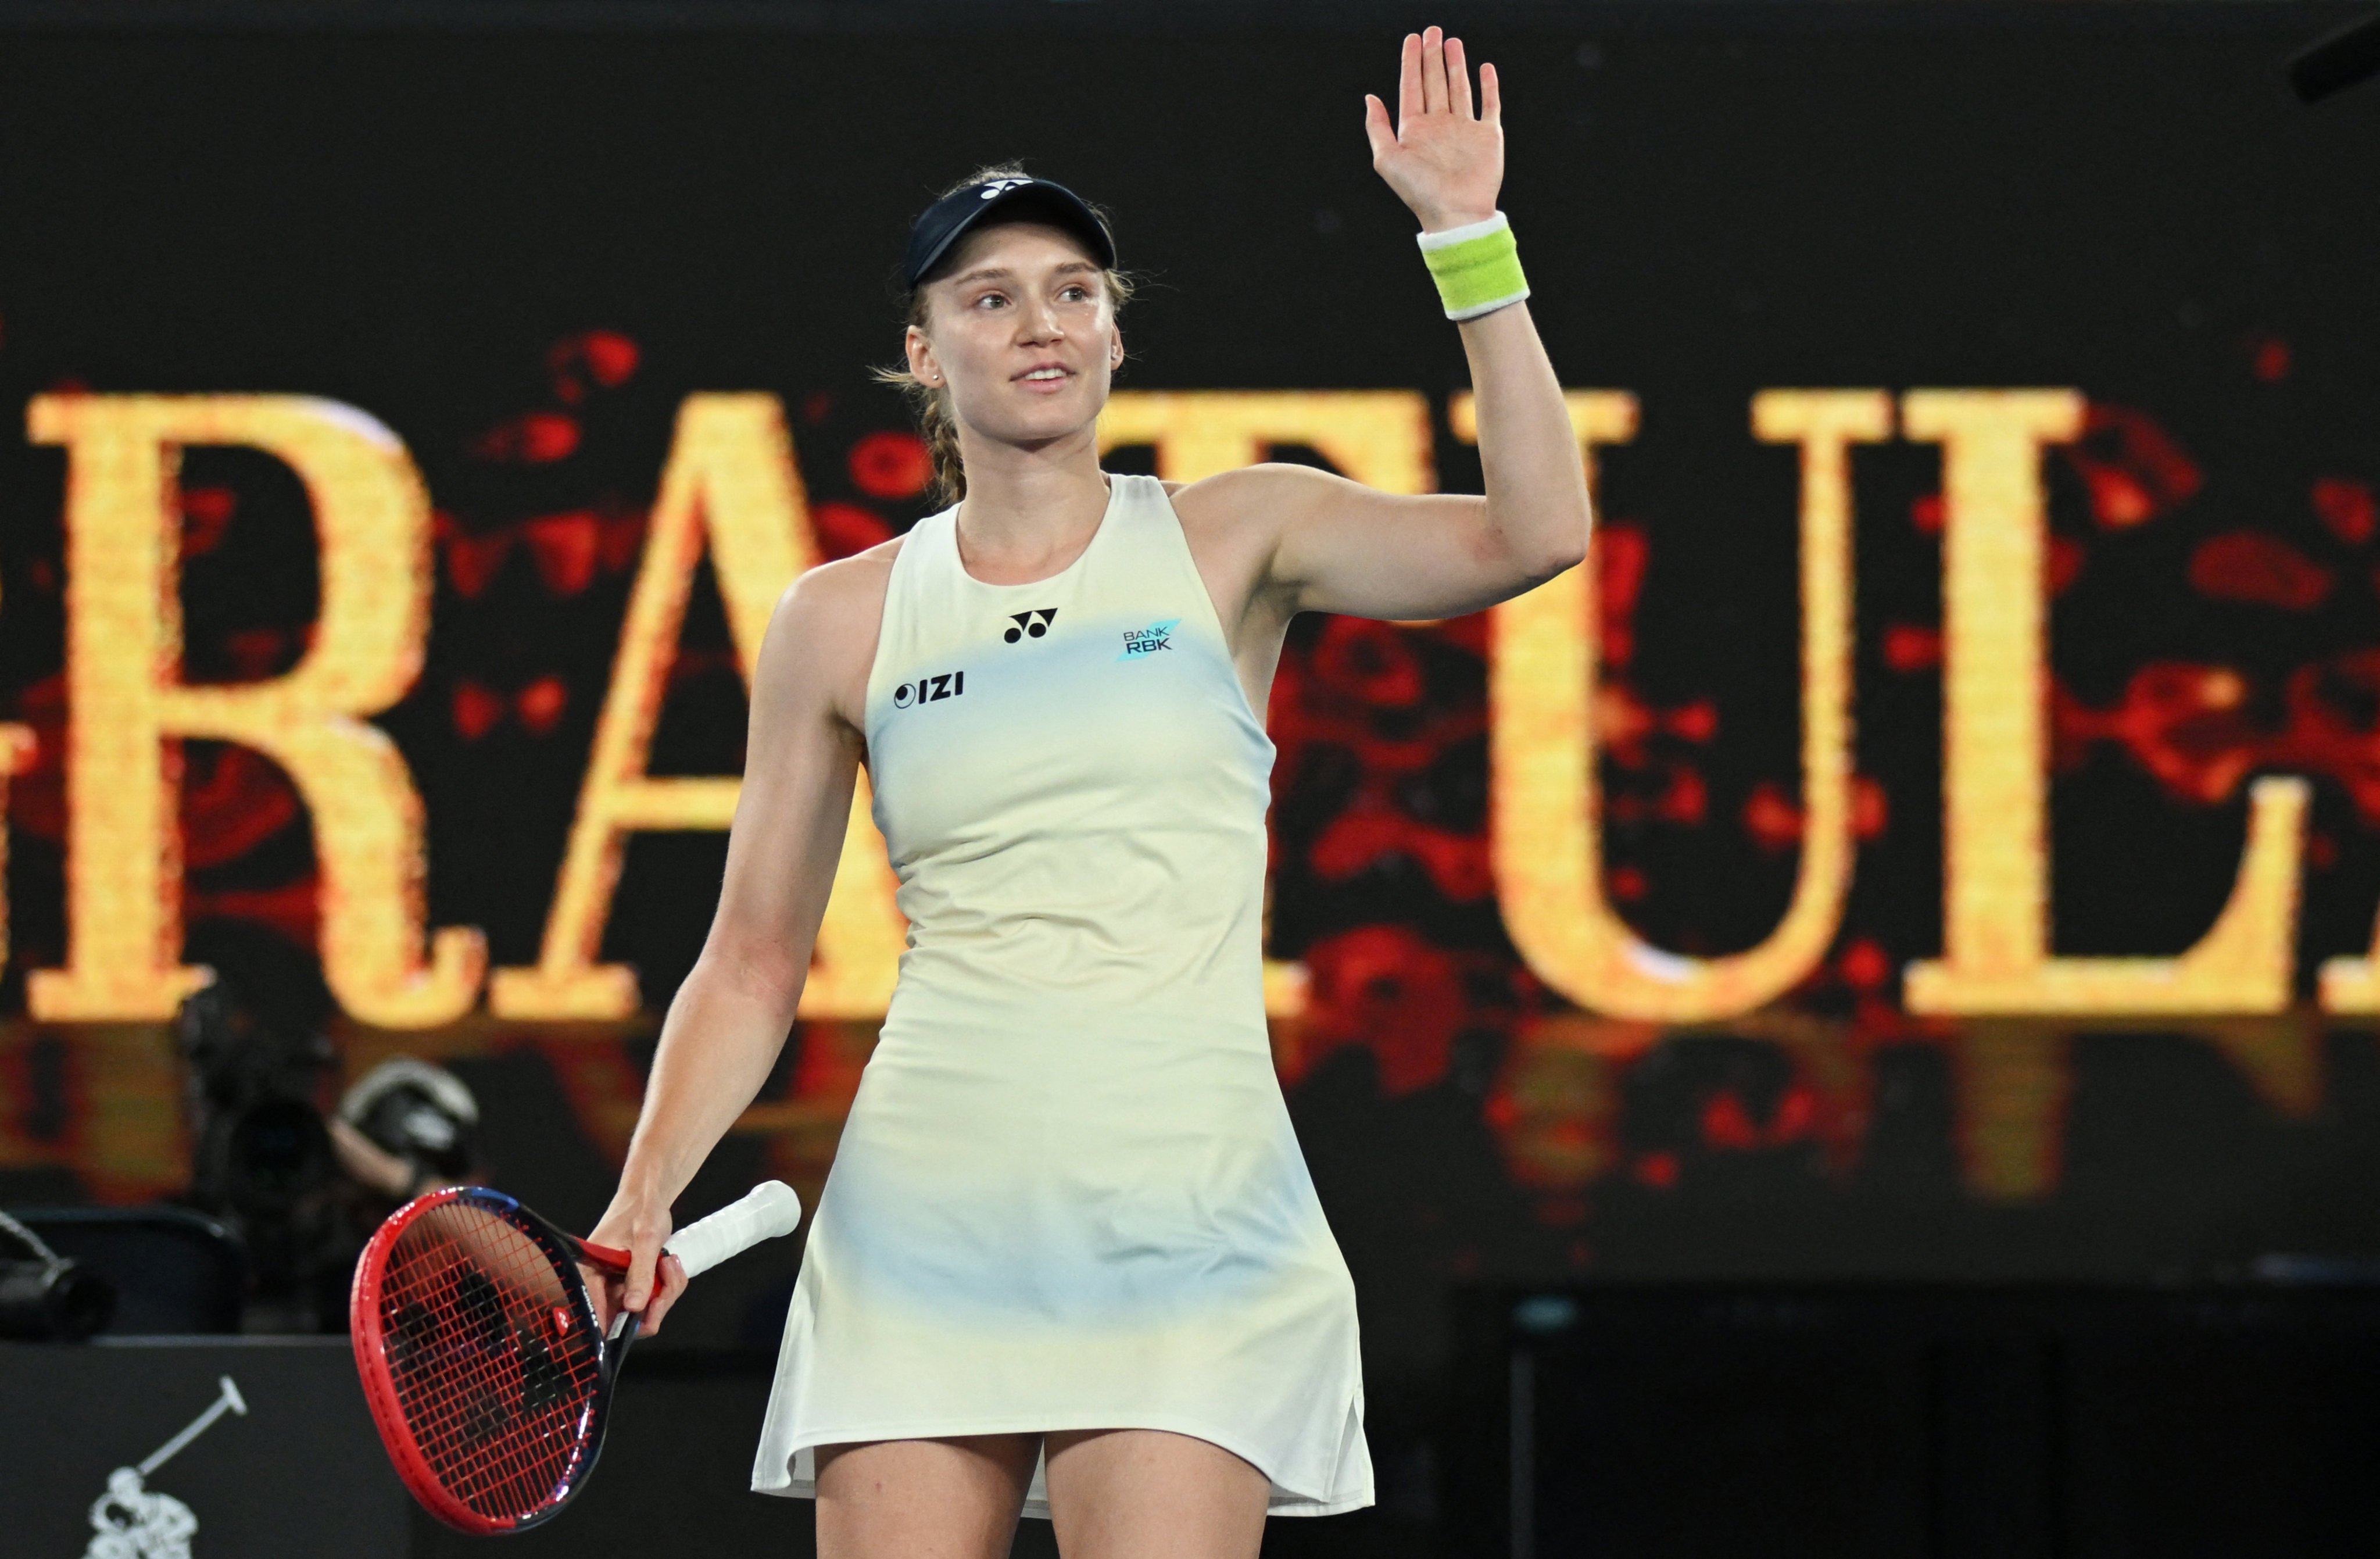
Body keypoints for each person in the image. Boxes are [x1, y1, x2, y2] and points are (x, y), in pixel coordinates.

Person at [585, 26, 1591, 1559]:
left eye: (1072, 293)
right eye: (988, 298)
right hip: (925, 1220)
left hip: (1189, 1221)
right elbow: (752, 958)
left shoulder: (1242, 532)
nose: (1038, 324)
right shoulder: (840, 617)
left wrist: (1468, 236)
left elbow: (1536, 530)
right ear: (925, 352)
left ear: (1115, 335)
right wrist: (646, 1192)